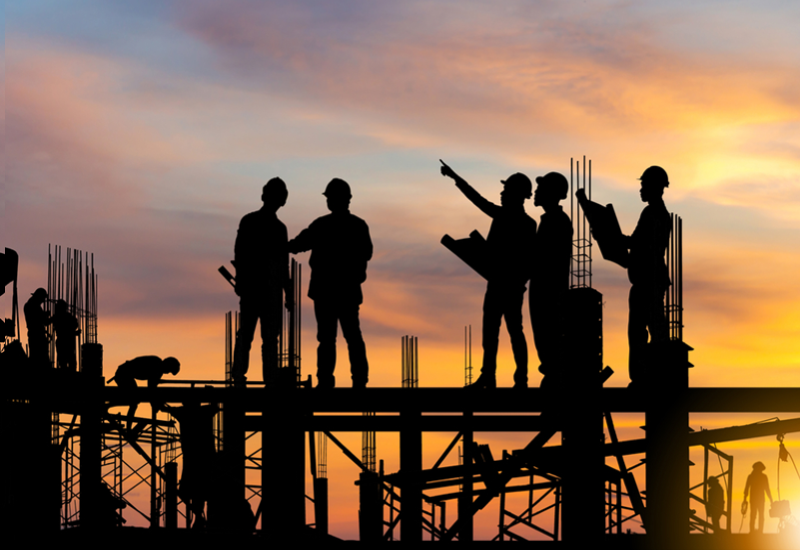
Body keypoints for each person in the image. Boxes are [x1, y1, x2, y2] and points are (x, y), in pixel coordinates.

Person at [440, 161, 536, 388]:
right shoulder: (509, 217)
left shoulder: (523, 223)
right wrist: (455, 177)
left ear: (517, 194)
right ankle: (490, 377)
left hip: (509, 287)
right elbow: (477, 199)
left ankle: (519, 379)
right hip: (498, 284)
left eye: (506, 190)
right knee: (492, 332)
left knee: (513, 332)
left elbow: (529, 260)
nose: (502, 194)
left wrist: (518, 282)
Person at [288, 178, 372, 388]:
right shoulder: (357, 226)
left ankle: (327, 381)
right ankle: (357, 381)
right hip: (344, 291)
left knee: (329, 339)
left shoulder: (322, 225)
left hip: (327, 291)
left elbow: (298, 245)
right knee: (350, 336)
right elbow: (366, 253)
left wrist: (280, 246)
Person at [232, 177, 293, 387]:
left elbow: (283, 264)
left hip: (266, 290)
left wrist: (288, 292)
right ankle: (249, 377)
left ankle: (259, 378)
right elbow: (240, 253)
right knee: (252, 336)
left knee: (260, 338)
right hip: (259, 289)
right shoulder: (256, 223)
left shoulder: (272, 226)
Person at [624, 166, 671, 385]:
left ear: (655, 187)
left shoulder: (654, 214)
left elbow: (640, 244)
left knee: (640, 331)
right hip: (649, 278)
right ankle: (654, 374)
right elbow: (637, 243)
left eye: (644, 185)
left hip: (647, 280)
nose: (641, 189)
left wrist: (613, 237)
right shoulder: (656, 213)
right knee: (652, 328)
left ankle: (644, 377)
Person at [530, 172, 572, 386]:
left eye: (541, 188)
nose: (536, 192)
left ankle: (554, 386)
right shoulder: (551, 220)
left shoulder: (557, 221)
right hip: (544, 291)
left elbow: (547, 259)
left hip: (548, 294)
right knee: (545, 344)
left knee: (549, 342)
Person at [159, 399, 219, 529]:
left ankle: (200, 518)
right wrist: (211, 394)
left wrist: (158, 399)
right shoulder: (204, 411)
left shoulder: (183, 412)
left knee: (193, 491)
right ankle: (202, 518)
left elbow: (163, 408)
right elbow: (215, 406)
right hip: (206, 457)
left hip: (192, 457)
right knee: (204, 491)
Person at [109, 356, 181, 430]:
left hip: (124, 373)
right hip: (123, 374)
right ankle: (128, 430)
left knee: (133, 401)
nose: (167, 372)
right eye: (169, 370)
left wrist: (157, 404)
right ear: (167, 365)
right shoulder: (156, 366)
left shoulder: (158, 367)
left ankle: (127, 428)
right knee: (134, 401)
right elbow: (151, 389)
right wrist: (156, 404)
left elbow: (152, 389)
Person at [744, 461, 773, 534]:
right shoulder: (758, 477)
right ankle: (756, 531)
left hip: (757, 499)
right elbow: (747, 489)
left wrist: (771, 499)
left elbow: (767, 489)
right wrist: (771, 499)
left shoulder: (753, 476)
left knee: (756, 515)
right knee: (756, 515)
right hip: (757, 499)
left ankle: (756, 531)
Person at [23, 287, 50, 367]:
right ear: (39, 297)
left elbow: (38, 319)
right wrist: (51, 317)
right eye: (43, 298)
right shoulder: (34, 306)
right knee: (40, 358)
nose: (43, 301)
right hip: (37, 336)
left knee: (35, 357)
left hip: (34, 334)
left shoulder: (30, 305)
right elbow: (42, 321)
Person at [52, 299, 81, 371]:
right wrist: (75, 332)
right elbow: (67, 331)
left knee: (63, 362)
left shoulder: (56, 317)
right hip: (68, 342)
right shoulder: (66, 316)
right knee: (70, 362)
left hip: (62, 342)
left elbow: (66, 330)